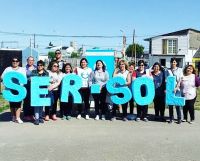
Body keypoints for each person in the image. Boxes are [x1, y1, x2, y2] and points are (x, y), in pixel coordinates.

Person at [1, 57, 26, 123]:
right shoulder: (8, 69)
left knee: (18, 103)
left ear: (19, 62)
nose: (15, 62)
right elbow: (2, 77)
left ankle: (18, 118)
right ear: (12, 62)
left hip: (19, 89)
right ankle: (13, 117)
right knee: (12, 104)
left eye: (16, 61)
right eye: (13, 61)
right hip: (9, 88)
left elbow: (24, 79)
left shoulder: (22, 69)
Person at [30, 60, 49, 125]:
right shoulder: (33, 72)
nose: (39, 66)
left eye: (41, 65)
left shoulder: (46, 73)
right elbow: (30, 79)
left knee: (41, 105)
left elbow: (47, 81)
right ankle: (37, 119)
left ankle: (40, 117)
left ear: (43, 66)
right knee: (36, 105)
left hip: (43, 90)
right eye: (38, 65)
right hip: (35, 90)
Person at [167, 58, 183, 124]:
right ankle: (171, 118)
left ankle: (179, 118)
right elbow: (167, 80)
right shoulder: (168, 70)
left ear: (176, 63)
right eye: (172, 62)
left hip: (177, 89)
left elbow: (180, 79)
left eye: (174, 62)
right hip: (170, 90)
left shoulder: (179, 70)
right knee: (170, 105)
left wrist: (177, 87)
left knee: (177, 104)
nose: (173, 63)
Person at [23, 56, 37, 121]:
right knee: (26, 100)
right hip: (26, 86)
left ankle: (32, 114)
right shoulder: (24, 68)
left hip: (34, 86)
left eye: (32, 60)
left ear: (33, 61)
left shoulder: (36, 68)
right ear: (27, 61)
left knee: (33, 100)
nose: (30, 61)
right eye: (29, 60)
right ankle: (26, 115)